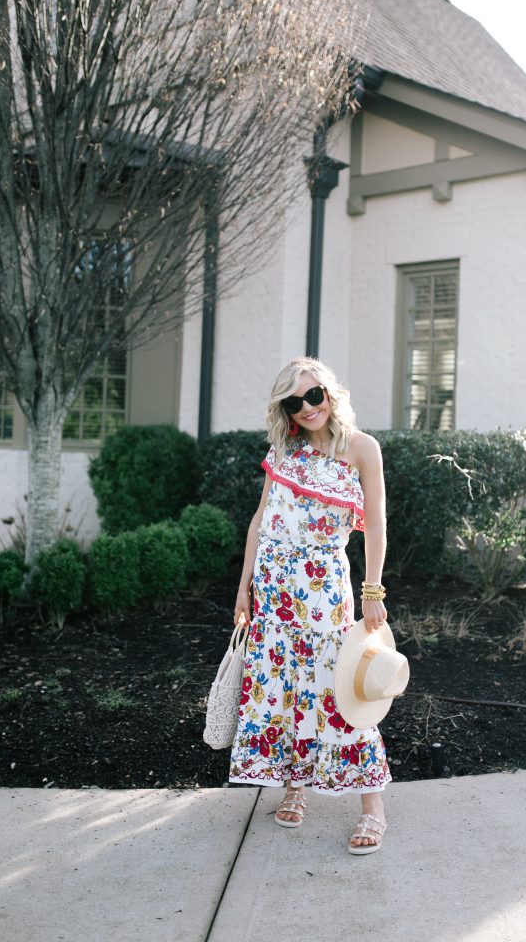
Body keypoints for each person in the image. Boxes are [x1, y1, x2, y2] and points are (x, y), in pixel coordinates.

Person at [230, 356, 391, 854]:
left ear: (330, 392)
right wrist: (243, 589)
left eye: (313, 395)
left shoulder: (361, 448)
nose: (306, 408)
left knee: (339, 693)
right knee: (282, 690)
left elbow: (378, 524)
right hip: (274, 592)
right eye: (294, 402)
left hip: (325, 592)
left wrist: (373, 591)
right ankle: (294, 787)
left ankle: (373, 809)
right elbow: (260, 522)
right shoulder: (284, 451)